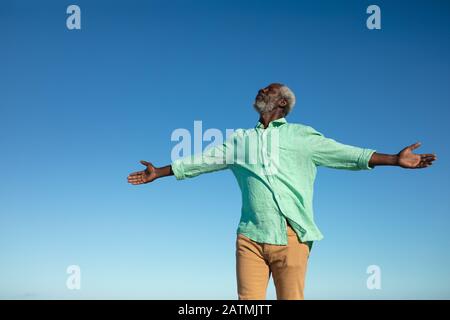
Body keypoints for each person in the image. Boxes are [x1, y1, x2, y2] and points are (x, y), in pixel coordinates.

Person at [127, 83, 437, 300]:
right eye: (261, 89)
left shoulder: (302, 136)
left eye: (269, 89)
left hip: (292, 238)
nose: (261, 91)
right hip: (249, 237)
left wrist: (394, 159)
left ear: (282, 103)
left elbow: (347, 154)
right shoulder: (238, 141)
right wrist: (161, 172)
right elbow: (200, 162)